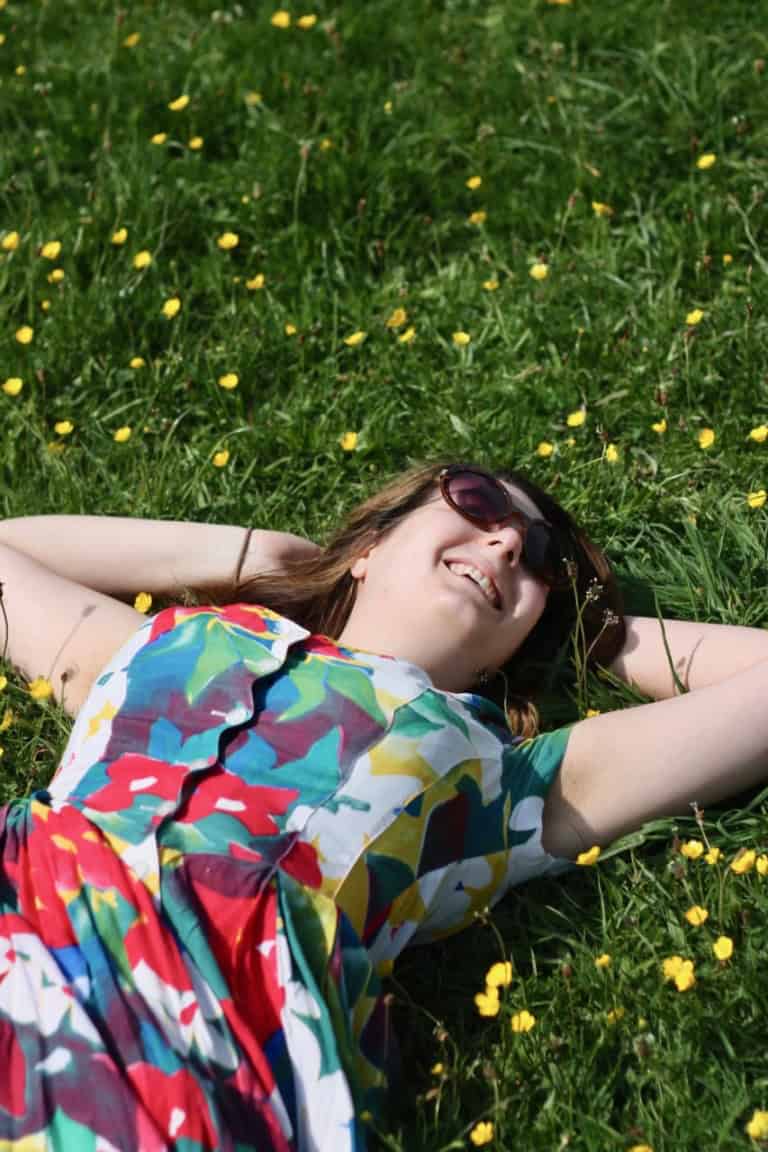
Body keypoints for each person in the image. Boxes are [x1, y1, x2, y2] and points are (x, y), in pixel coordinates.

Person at [0, 458, 766, 1151]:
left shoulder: (498, 778)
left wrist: (599, 637)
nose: (504, 546)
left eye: (542, 561)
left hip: (196, 1022)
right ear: (371, 546)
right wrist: (254, 551)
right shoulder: (163, 645)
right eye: (476, 501)